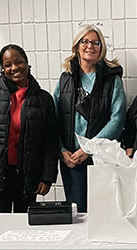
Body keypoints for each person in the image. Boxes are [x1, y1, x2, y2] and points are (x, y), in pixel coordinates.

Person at [0, 45, 58, 213]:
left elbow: (50, 143)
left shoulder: (43, 99)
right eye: (8, 64)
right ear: (2, 69)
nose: (14, 68)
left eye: (19, 62)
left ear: (27, 63)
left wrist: (47, 177)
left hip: (28, 176)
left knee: (25, 228)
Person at [54, 25, 125, 212]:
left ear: (101, 48)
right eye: (85, 41)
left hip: (101, 159)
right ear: (77, 46)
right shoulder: (65, 79)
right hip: (71, 159)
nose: (90, 46)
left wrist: (89, 148)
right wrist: (62, 150)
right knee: (78, 214)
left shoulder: (112, 80)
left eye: (95, 42)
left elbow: (117, 119)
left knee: (104, 213)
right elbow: (54, 119)